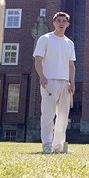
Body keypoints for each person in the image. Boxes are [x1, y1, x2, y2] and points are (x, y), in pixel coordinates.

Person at [32, 11, 76, 154]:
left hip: (65, 83)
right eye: (58, 21)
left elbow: (71, 65)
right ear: (54, 23)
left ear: (67, 24)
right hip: (49, 81)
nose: (61, 23)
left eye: (64, 21)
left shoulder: (69, 43)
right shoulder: (45, 39)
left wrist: (72, 82)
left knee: (63, 117)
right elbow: (38, 59)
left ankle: (58, 146)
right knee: (48, 115)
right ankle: (47, 145)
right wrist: (42, 76)